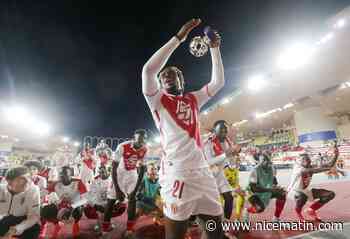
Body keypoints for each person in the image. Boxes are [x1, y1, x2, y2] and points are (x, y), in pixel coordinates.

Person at [142, 18, 228, 239]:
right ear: (160, 84)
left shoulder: (193, 99)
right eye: (164, 76)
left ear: (182, 79)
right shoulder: (157, 100)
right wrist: (178, 38)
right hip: (177, 176)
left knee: (214, 232)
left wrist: (215, 49)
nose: (169, 76)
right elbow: (148, 70)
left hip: (204, 174)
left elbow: (218, 83)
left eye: (175, 74)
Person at [103, 129, 148, 237]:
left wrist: (135, 190)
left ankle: (129, 228)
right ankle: (105, 229)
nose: (141, 143)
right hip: (118, 173)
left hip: (132, 174)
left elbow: (142, 170)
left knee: (133, 199)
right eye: (139, 141)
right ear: (134, 138)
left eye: (143, 141)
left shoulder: (145, 149)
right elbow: (113, 169)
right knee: (111, 200)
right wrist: (118, 190)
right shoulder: (122, 146)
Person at [288, 144, 339, 221]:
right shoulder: (300, 169)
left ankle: (311, 210)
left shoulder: (308, 166)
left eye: (307, 158)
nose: (307, 160)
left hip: (305, 190)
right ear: (298, 160)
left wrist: (336, 155)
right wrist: (327, 167)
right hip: (294, 192)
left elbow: (329, 164)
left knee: (330, 194)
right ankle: (298, 212)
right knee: (302, 195)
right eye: (303, 159)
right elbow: (324, 168)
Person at [41, 166, 88, 238]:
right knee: (44, 210)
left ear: (70, 174)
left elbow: (86, 199)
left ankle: (76, 226)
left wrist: (72, 206)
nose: (61, 176)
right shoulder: (56, 183)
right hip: (61, 205)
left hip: (75, 206)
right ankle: (57, 224)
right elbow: (43, 193)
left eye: (64, 174)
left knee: (77, 211)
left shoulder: (78, 182)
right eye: (60, 174)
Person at [203, 120, 235, 220]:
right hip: (207, 175)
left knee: (229, 198)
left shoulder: (228, 141)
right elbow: (209, 162)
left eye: (226, 128)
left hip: (220, 174)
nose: (224, 130)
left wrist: (233, 158)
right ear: (215, 130)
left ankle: (226, 222)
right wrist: (226, 154)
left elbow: (229, 159)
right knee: (210, 204)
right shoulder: (208, 142)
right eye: (221, 128)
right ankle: (193, 219)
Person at [0, 167, 41, 239]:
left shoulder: (33, 190)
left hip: (24, 221)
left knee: (35, 227)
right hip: (4, 219)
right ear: (9, 183)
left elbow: (34, 216)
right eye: (21, 180)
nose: (27, 182)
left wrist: (17, 229)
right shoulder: (1, 189)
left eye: (28, 178)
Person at [244, 153, 286, 222]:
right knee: (259, 209)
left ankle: (276, 218)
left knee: (282, 194)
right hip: (251, 192)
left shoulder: (271, 169)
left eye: (267, 160)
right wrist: (270, 190)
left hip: (265, 190)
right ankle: (247, 210)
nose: (265, 162)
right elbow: (253, 188)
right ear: (259, 161)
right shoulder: (255, 170)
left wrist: (278, 188)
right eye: (263, 160)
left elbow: (274, 182)